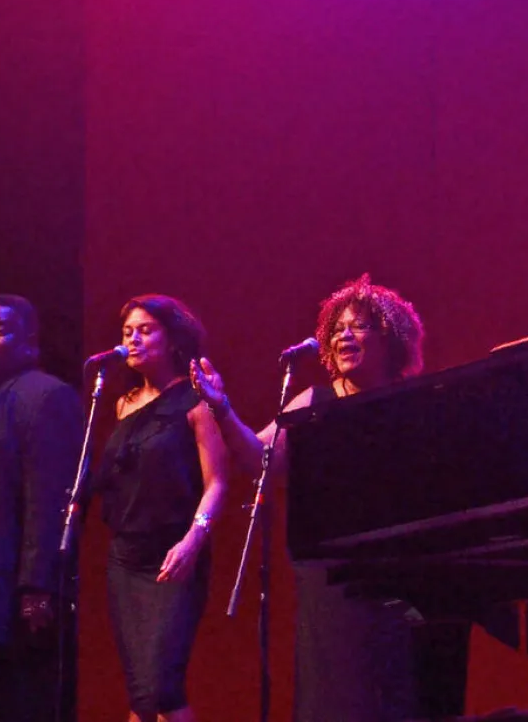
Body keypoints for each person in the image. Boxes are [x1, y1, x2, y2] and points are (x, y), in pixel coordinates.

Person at [191, 274, 425, 722]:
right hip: (330, 575)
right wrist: (221, 409)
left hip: (399, 570)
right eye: (337, 328)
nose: (344, 335)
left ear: (389, 337)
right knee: (336, 695)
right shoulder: (313, 400)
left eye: (359, 326)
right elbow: (260, 459)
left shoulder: (411, 401)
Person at [95, 295, 228, 722]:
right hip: (125, 561)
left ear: (172, 340)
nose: (132, 339)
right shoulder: (123, 404)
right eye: (127, 332)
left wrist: (194, 539)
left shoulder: (194, 402)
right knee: (144, 693)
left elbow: (218, 482)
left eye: (145, 330)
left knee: (161, 685)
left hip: (173, 556)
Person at [0, 294, 82, 722]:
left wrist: (38, 587)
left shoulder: (45, 396)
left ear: (29, 342)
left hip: (9, 601)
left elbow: (50, 497)